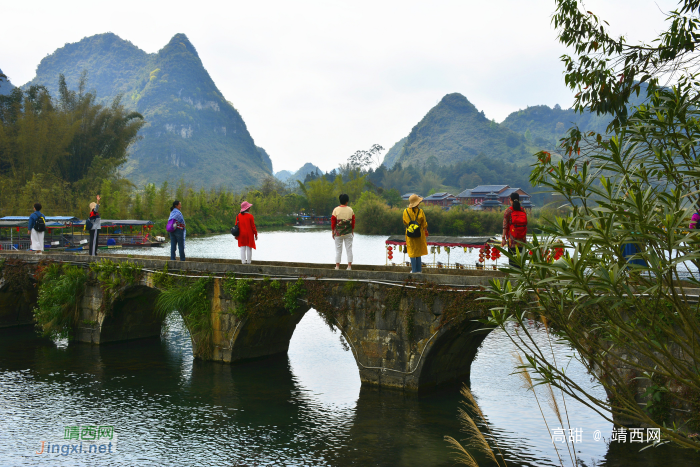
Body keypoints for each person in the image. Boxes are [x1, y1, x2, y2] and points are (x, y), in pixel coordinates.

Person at [403, 194, 428, 273]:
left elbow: (405, 222)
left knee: (411, 251)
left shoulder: (405, 211)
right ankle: (419, 270)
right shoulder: (421, 211)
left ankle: (413, 270)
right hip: (419, 233)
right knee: (418, 252)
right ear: (417, 203)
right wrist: (425, 230)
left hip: (410, 233)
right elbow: (424, 224)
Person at [501, 192, 527, 267]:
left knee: (512, 262)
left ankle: (513, 277)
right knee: (521, 262)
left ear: (510, 200)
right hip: (522, 240)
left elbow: (505, 226)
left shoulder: (508, 211)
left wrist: (503, 238)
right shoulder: (523, 210)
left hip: (512, 241)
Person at [331, 193, 355, 270]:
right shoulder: (350, 210)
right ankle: (349, 266)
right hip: (348, 232)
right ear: (347, 201)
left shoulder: (336, 210)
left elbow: (333, 222)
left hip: (338, 233)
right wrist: (352, 230)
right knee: (349, 249)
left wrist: (333, 232)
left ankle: (337, 266)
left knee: (338, 250)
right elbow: (353, 221)